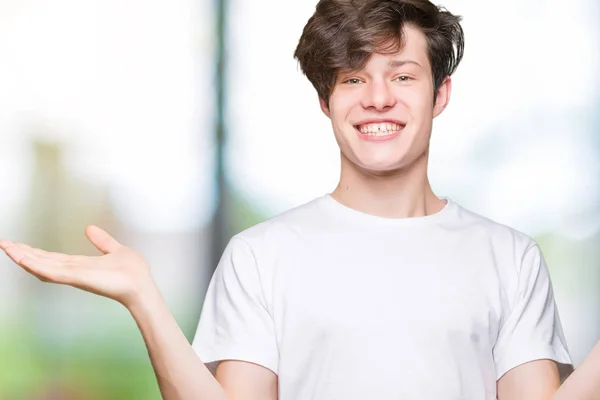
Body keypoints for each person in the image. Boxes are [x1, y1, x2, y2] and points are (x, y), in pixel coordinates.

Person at [1, 0, 598, 399]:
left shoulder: (508, 256)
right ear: (325, 100)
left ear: (441, 93)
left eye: (403, 75)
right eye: (354, 78)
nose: (378, 98)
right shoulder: (262, 255)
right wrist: (144, 298)